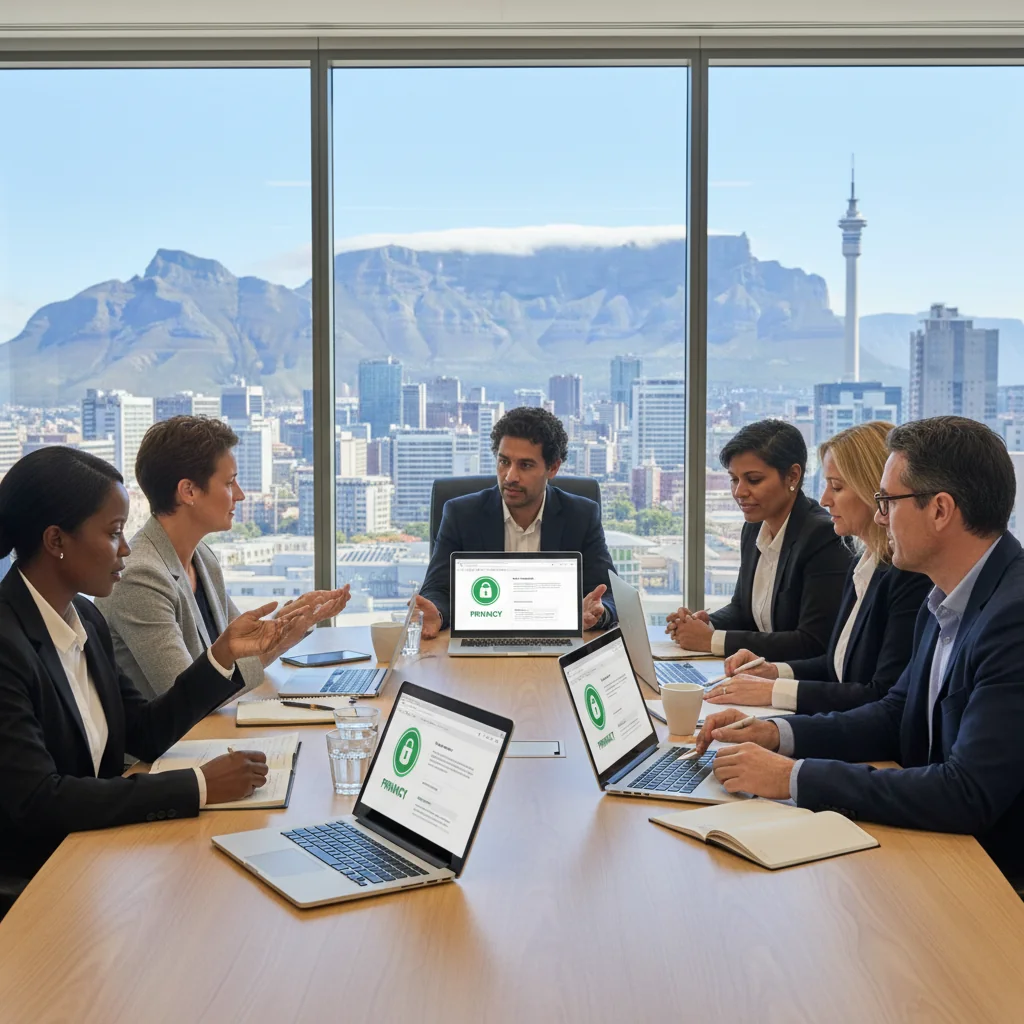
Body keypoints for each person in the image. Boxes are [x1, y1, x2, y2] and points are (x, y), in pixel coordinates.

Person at [695, 416, 1024, 886]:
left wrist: (792, 776)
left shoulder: (1012, 618)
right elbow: (894, 715)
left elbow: (967, 793)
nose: (880, 516)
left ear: (940, 510)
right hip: (938, 846)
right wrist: (774, 733)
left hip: (991, 879)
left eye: (887, 501)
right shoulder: (945, 597)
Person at [0, 447, 329, 917]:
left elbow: (145, 730)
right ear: (56, 540)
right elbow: (39, 800)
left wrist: (220, 656)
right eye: (113, 533)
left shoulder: (84, 619)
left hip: (96, 857)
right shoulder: (7, 644)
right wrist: (197, 785)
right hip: (40, 887)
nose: (125, 549)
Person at [97, 416, 349, 700]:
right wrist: (280, 639)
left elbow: (241, 653)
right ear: (189, 491)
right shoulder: (139, 577)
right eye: (229, 483)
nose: (239, 495)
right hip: (183, 730)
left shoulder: (203, 558)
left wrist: (287, 623)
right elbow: (189, 700)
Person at [705, 421, 932, 713]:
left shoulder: (904, 576)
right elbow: (835, 665)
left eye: (836, 487)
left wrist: (773, 695)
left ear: (874, 490)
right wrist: (772, 672)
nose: (824, 500)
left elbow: (879, 695)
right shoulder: (863, 563)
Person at [417, 406, 617, 638]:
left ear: (553, 468)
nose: (510, 476)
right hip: (483, 640)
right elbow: (437, 589)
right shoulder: (461, 514)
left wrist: (599, 613)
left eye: (525, 465)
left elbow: (609, 594)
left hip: (557, 645)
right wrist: (437, 614)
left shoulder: (581, 516)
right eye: (504, 462)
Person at [667, 418, 852, 661]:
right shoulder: (754, 528)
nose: (739, 492)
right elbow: (742, 610)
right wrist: (704, 624)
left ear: (792, 476)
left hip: (794, 677)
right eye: (734, 479)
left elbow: (812, 642)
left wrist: (711, 640)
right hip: (756, 671)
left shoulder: (823, 536)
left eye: (753, 480)